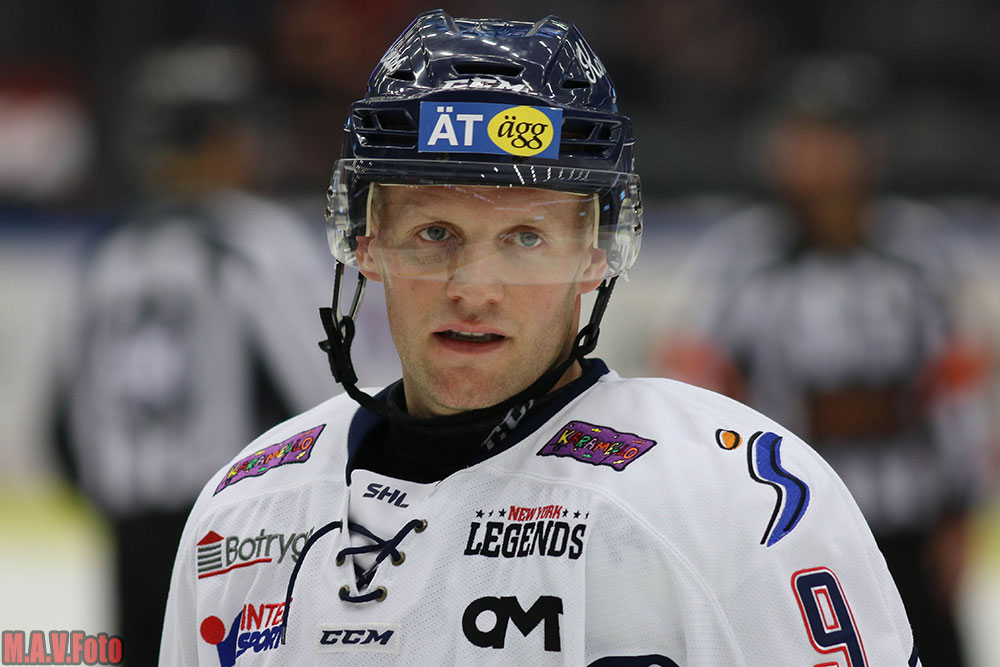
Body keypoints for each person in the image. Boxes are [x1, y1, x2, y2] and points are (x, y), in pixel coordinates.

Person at [160, 12, 921, 666]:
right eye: (433, 232)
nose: (473, 288)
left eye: (525, 237)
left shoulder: (734, 500)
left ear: (596, 252)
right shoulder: (246, 514)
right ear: (365, 241)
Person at [651, 76, 993, 666]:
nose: (816, 163)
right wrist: (719, 513)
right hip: (791, 525)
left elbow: (958, 391)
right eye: (801, 143)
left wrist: (960, 514)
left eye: (831, 143)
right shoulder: (739, 262)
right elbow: (696, 392)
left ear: (867, 151)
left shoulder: (921, 256)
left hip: (910, 524)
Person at [49, 43, 365, 666]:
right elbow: (322, 395)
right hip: (242, 526)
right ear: (225, 138)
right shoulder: (257, 243)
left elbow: (61, 422)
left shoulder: (107, 255)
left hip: (128, 533)